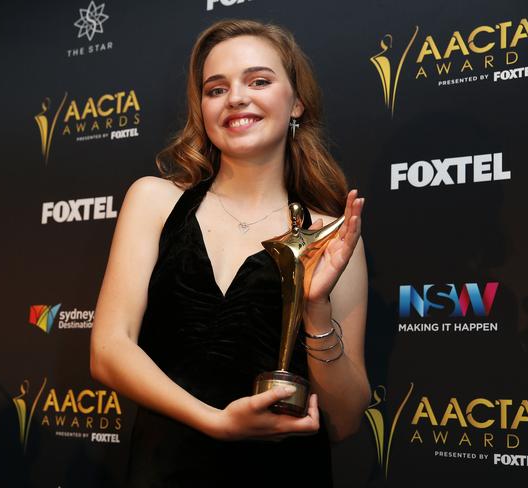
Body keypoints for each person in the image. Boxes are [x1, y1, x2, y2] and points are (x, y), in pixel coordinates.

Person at [90, 19, 369, 487]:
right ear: (201, 108)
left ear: (297, 101)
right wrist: (216, 422)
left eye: (258, 80)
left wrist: (315, 309)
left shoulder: (330, 235)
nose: (236, 97)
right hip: (163, 473)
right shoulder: (154, 201)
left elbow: (345, 419)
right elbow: (108, 349)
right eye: (216, 89)